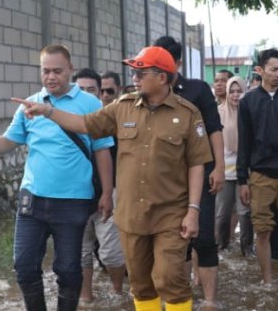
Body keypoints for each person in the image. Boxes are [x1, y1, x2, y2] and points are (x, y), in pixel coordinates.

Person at [11, 46, 211, 311]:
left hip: (170, 213)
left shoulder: (187, 114)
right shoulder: (122, 108)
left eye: (141, 72)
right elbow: (84, 124)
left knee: (169, 277)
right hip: (131, 215)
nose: (134, 78)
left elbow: (197, 163)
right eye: (133, 72)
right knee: (140, 282)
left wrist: (193, 210)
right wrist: (48, 112)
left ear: (162, 77)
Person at [0, 44, 114, 311]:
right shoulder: (29, 105)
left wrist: (107, 194)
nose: (51, 77)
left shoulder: (90, 104)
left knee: (69, 269)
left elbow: (102, 152)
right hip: (33, 200)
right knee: (24, 265)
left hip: (73, 201)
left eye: (57, 71)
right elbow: (8, 141)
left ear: (70, 70)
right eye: (45, 71)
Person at [150, 35, 225, 306]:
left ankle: (209, 301)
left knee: (204, 238)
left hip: (200, 174)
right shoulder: (147, 92)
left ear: (178, 63)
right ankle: (179, 299)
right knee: (174, 243)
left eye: (165, 62)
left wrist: (218, 166)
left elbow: (214, 128)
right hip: (165, 181)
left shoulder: (198, 89)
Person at [237, 48, 278, 284]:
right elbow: (243, 142)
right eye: (274, 69)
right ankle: (267, 281)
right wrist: (242, 180)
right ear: (260, 70)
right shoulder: (248, 101)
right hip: (260, 176)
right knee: (262, 230)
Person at [74, 68, 126, 302]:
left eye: (91, 90)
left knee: (112, 254)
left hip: (109, 194)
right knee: (82, 253)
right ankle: (87, 299)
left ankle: (118, 292)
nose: (85, 94)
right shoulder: (64, 120)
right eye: (80, 90)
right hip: (75, 198)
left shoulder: (116, 121)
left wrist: (112, 192)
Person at [214, 76, 251, 253]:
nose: (236, 95)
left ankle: (247, 251)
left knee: (245, 214)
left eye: (240, 91)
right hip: (224, 172)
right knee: (222, 215)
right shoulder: (218, 112)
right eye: (232, 92)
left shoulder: (250, 112)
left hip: (246, 173)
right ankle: (221, 249)